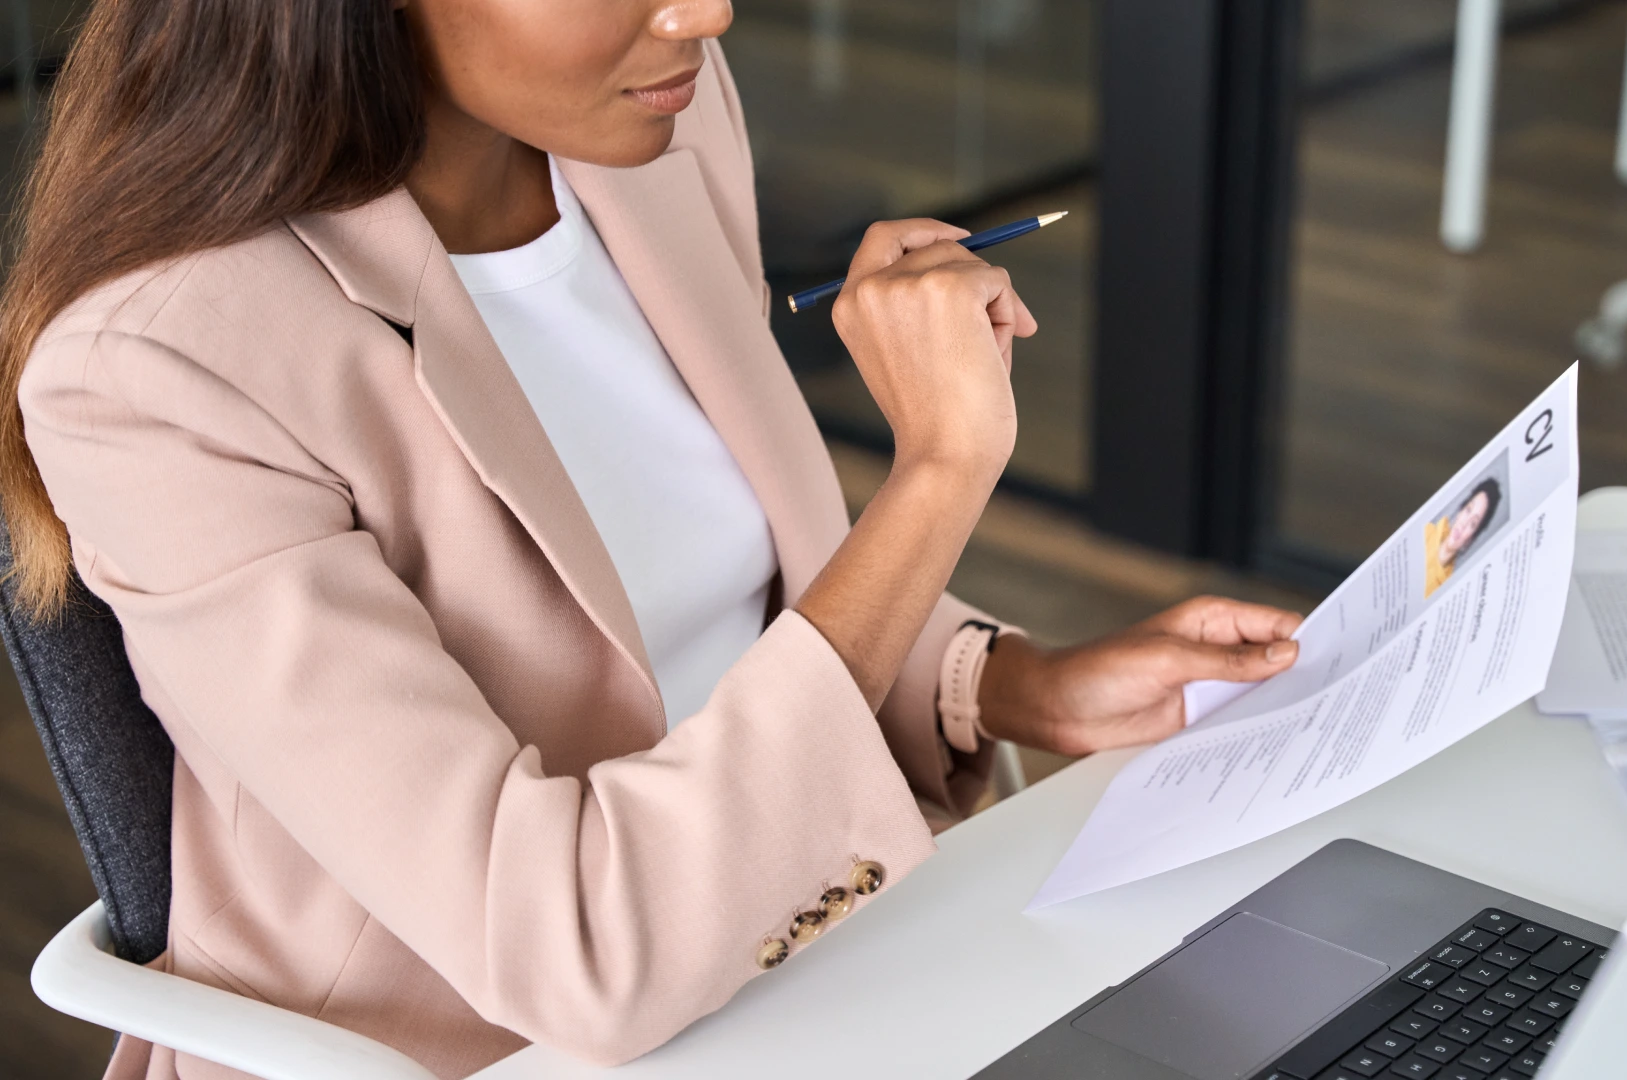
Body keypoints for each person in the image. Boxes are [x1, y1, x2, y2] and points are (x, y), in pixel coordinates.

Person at [0, 2, 1306, 1077]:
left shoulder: (660, 130)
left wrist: (1021, 686)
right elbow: (576, 952)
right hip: (485, 1042)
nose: (703, 13)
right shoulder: (160, 368)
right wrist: (941, 472)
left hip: (807, 957)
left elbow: (746, 596)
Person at [1424, 478, 1503, 596]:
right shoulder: (1426, 531)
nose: (1464, 524)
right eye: (1468, 510)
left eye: (1473, 524)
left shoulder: (1446, 591)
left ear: (1471, 539)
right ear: (1460, 511)